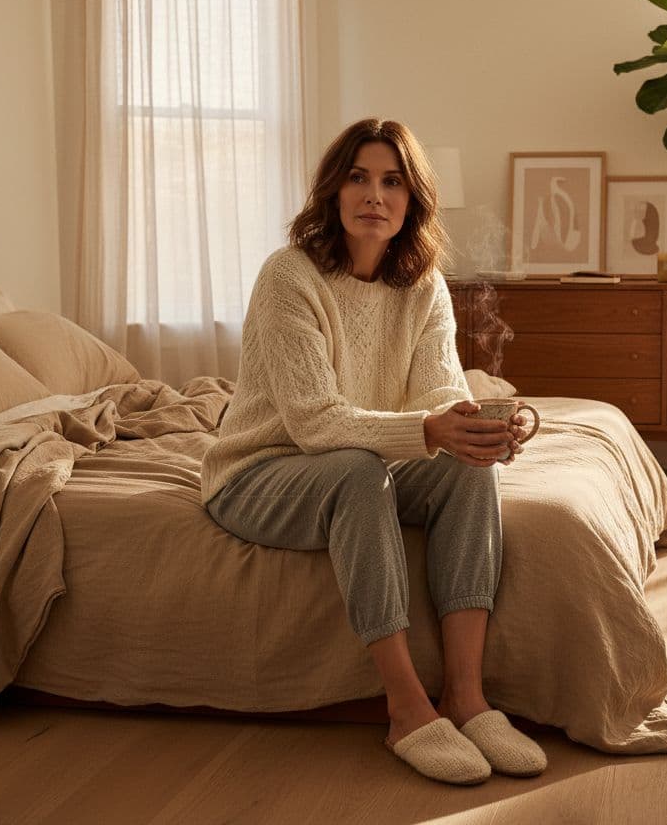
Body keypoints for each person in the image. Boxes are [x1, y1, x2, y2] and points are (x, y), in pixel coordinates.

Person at [200, 117, 546, 785]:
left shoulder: (424, 286)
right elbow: (314, 425)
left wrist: (475, 429)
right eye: (358, 177)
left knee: (469, 475)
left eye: (393, 181)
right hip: (259, 473)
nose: (374, 195)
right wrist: (427, 430)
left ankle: (467, 699)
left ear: (412, 200)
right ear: (334, 190)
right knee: (358, 472)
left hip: (361, 463)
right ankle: (406, 707)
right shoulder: (288, 276)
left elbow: (438, 395)